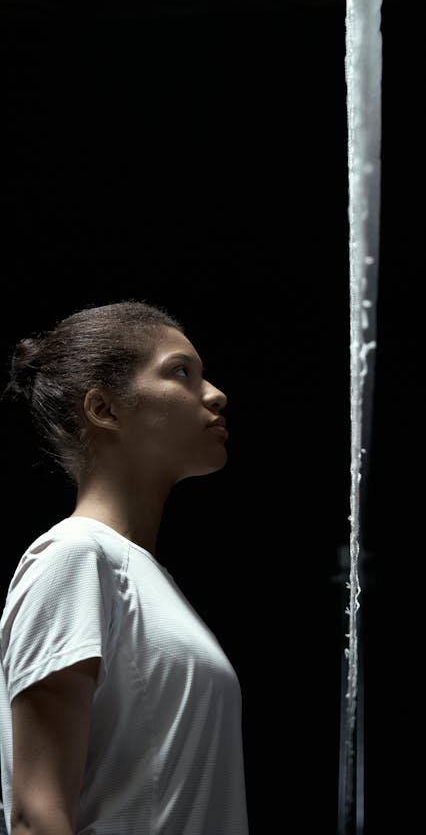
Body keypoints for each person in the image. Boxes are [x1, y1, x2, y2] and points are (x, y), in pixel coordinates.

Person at [0, 300, 248, 835]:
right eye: (181, 373)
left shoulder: (145, 578)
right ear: (104, 409)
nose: (215, 394)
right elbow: (37, 817)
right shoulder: (73, 558)